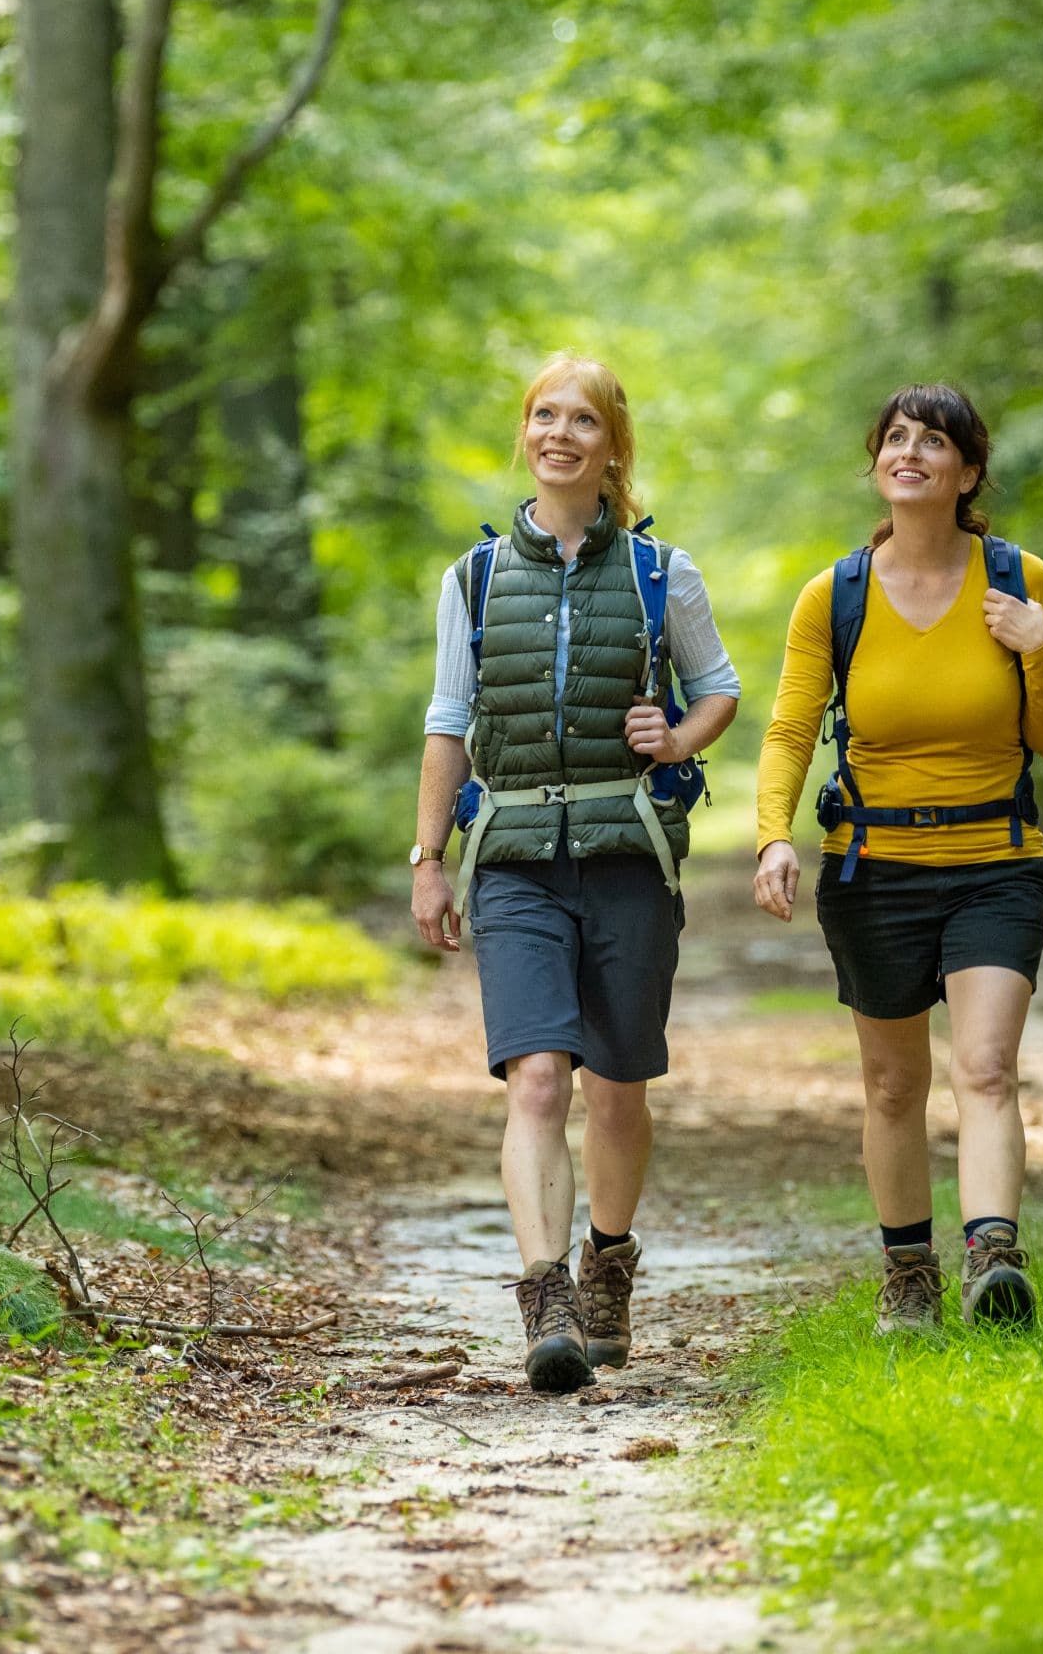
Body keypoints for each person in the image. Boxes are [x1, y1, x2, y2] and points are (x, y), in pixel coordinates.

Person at [410, 353, 740, 1393]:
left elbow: (721, 687)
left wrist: (676, 736)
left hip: (627, 853)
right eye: (544, 414)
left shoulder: (659, 573)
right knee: (539, 1077)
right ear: (526, 433)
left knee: (620, 1082)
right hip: (510, 857)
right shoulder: (472, 578)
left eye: (582, 419)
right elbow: (448, 721)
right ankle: (545, 1292)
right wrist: (428, 858)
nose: (560, 433)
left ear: (612, 444)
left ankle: (609, 1260)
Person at [750, 383, 1043, 1333]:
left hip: (996, 859)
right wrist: (774, 832)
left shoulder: (1022, 580)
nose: (910, 453)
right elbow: (788, 728)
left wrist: (1038, 647)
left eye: (933, 442)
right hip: (873, 870)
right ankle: (909, 1278)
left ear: (967, 472)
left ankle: (992, 1262)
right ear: (879, 465)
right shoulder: (836, 594)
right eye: (895, 438)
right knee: (895, 1084)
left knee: (986, 1068)